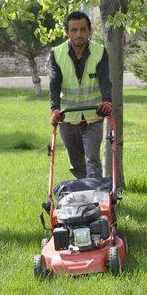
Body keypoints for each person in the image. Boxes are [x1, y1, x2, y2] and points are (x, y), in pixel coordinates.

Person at [48, 11, 112, 179]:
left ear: (89, 31)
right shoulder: (57, 53)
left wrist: (107, 101)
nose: (79, 34)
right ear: (67, 32)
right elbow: (54, 83)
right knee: (76, 163)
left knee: (92, 159)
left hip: (94, 116)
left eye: (83, 29)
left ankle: (97, 199)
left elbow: (105, 79)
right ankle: (84, 193)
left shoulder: (100, 52)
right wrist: (54, 109)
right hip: (67, 117)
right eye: (74, 30)